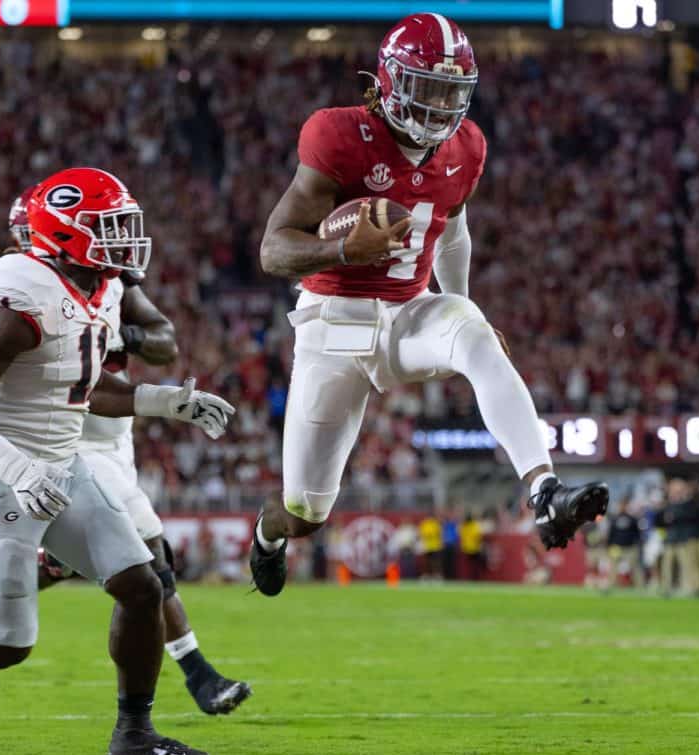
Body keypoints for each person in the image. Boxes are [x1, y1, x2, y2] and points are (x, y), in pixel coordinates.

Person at [0, 168, 236, 755]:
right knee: (1, 649)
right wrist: (15, 466)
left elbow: (81, 387)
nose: (124, 239)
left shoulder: (100, 286)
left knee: (142, 587)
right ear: (65, 231)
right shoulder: (21, 289)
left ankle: (134, 733)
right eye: (108, 227)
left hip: (64, 464)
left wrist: (169, 401)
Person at [248, 12, 608, 595]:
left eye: (451, 91)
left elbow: (455, 235)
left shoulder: (467, 146)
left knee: (475, 330)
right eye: (427, 87)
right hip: (333, 325)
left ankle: (545, 491)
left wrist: (466, 321)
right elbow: (273, 250)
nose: (440, 105)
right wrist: (343, 248)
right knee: (306, 511)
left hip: (410, 312)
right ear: (388, 81)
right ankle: (269, 532)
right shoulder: (337, 135)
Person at [605, 497, 644, 589]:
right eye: (621, 505)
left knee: (635, 567)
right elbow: (611, 533)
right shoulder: (614, 519)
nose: (623, 507)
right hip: (616, 547)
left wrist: (637, 545)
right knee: (613, 566)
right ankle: (611, 585)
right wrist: (609, 545)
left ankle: (640, 585)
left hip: (630, 547)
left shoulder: (632, 519)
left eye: (625, 505)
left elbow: (637, 534)